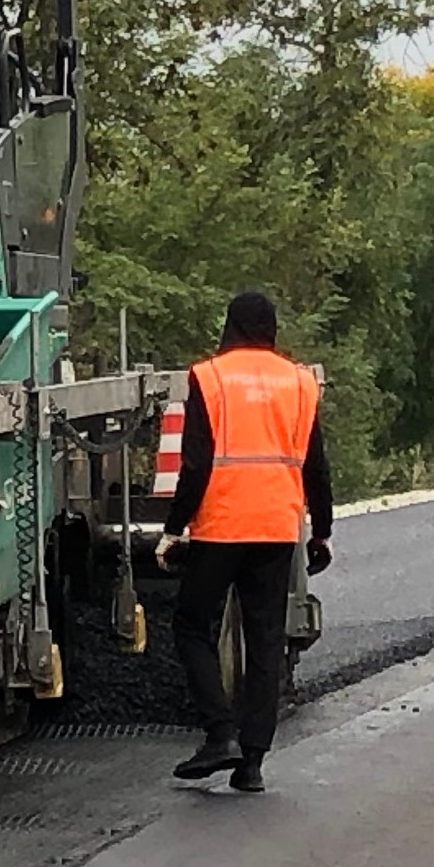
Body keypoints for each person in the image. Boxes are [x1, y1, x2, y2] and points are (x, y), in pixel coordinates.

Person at [165, 289, 333, 795]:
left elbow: (194, 464)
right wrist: (321, 530)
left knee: (192, 624)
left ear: (230, 326)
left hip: (221, 525)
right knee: (264, 640)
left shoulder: (209, 377)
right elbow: (316, 464)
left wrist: (174, 528)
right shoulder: (300, 382)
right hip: (278, 528)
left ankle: (220, 734)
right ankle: (253, 762)